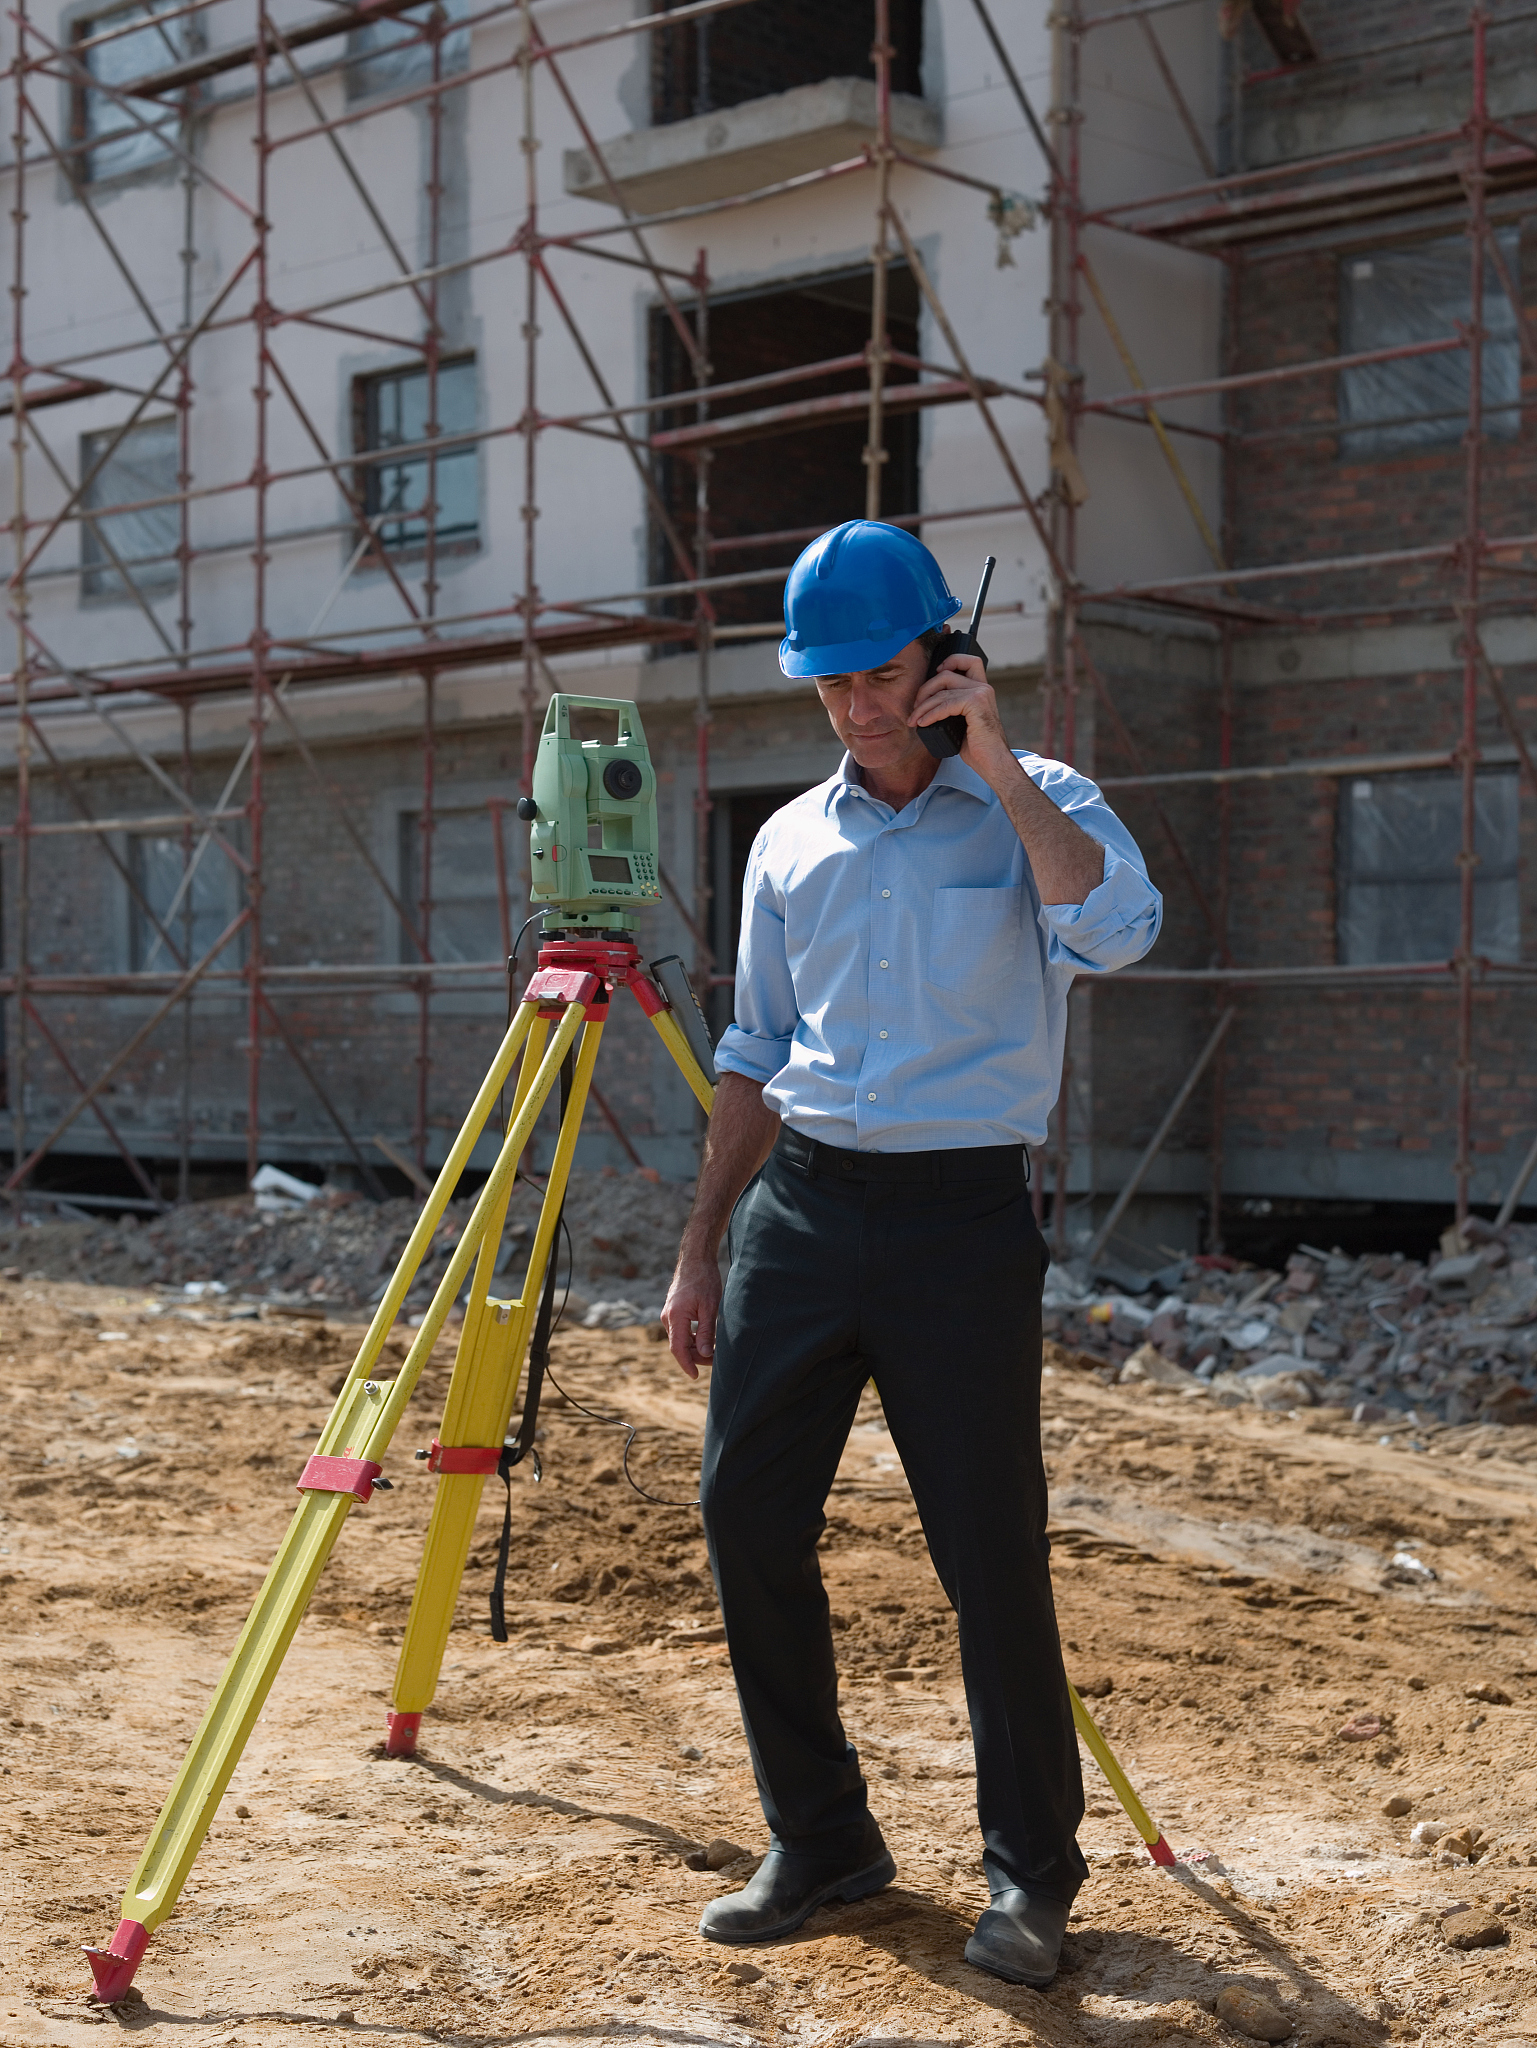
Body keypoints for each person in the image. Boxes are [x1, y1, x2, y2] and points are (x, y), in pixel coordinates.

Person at [661, 520, 1162, 1987]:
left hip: (959, 1223)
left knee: (986, 1555)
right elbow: (754, 1049)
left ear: (946, 657)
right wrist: (704, 1244)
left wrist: (994, 764)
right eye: (829, 687)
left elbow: (1118, 931)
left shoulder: (1040, 802)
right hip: (800, 1214)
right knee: (744, 1517)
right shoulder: (788, 838)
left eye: (880, 676)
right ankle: (821, 1841)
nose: (857, 708)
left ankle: (1030, 1877)